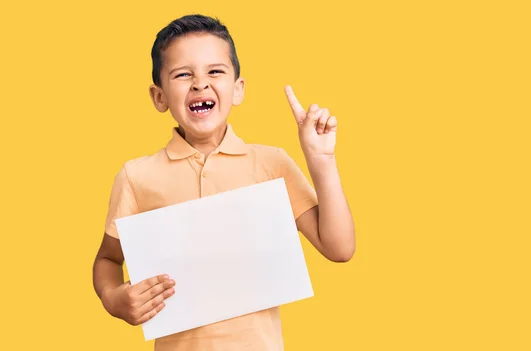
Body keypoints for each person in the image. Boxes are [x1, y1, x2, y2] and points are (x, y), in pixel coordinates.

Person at [92, 14, 355, 350]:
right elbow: (108, 260)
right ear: (159, 97)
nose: (200, 83)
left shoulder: (271, 163)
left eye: (214, 71)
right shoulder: (137, 176)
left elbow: (340, 248)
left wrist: (322, 160)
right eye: (183, 74)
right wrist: (113, 298)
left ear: (238, 88)